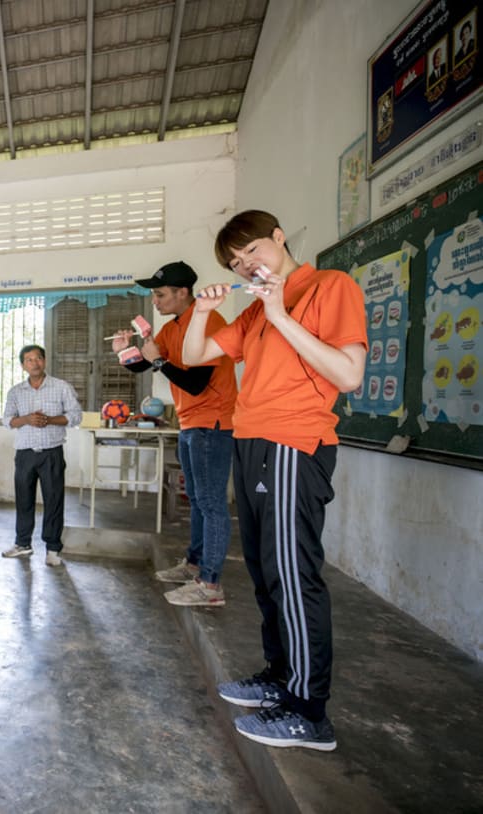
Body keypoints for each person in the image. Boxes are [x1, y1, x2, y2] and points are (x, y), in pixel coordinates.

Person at [182, 209, 366, 751]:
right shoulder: (254, 313)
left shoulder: (328, 287)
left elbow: (349, 374)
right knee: (264, 571)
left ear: (279, 238)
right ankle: (279, 677)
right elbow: (194, 356)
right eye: (237, 262)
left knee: (292, 574)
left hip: (294, 441)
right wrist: (204, 309)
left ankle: (309, 712)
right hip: (252, 439)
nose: (247, 265)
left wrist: (280, 312)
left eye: (253, 252)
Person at [116, 261, 239, 607]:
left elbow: (197, 383)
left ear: (182, 292)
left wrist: (157, 362)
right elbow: (146, 361)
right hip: (190, 424)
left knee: (212, 503)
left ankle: (210, 585)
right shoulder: (173, 328)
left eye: (160, 293)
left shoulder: (209, 323)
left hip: (211, 423)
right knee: (198, 500)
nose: (154, 301)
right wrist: (125, 353)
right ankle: (195, 565)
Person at [1, 344, 82, 567]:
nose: (34, 363)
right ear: (23, 365)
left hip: (52, 453)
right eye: (29, 359)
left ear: (44, 361)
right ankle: (22, 544)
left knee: (54, 500)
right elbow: (7, 420)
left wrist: (50, 420)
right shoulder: (16, 392)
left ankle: (53, 549)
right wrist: (27, 419)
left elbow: (75, 416)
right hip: (25, 454)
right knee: (24, 500)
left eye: (38, 358)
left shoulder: (61, 387)